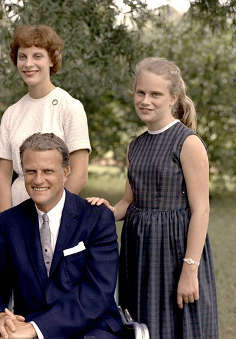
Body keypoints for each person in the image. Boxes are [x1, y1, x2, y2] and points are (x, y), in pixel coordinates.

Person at [88, 57, 218, 338]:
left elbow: (201, 211)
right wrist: (104, 211)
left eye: (155, 94)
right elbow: (128, 202)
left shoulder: (187, 142)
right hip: (139, 251)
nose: (146, 100)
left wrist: (190, 270)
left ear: (173, 98)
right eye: (141, 93)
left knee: (178, 325)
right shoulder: (136, 145)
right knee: (142, 323)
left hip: (175, 252)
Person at [0, 133, 123, 339]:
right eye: (31, 171)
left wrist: (36, 328)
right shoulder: (8, 223)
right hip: (25, 326)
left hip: (91, 328)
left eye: (48, 171)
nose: (38, 179)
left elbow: (96, 294)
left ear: (66, 171)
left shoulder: (96, 217)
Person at [0, 24, 91, 212]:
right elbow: (3, 176)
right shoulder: (12, 113)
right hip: (18, 206)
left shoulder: (70, 107)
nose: (28, 64)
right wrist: (7, 221)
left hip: (57, 210)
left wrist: (51, 212)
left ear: (52, 60)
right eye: (22, 57)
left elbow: (79, 174)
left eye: (37, 56)